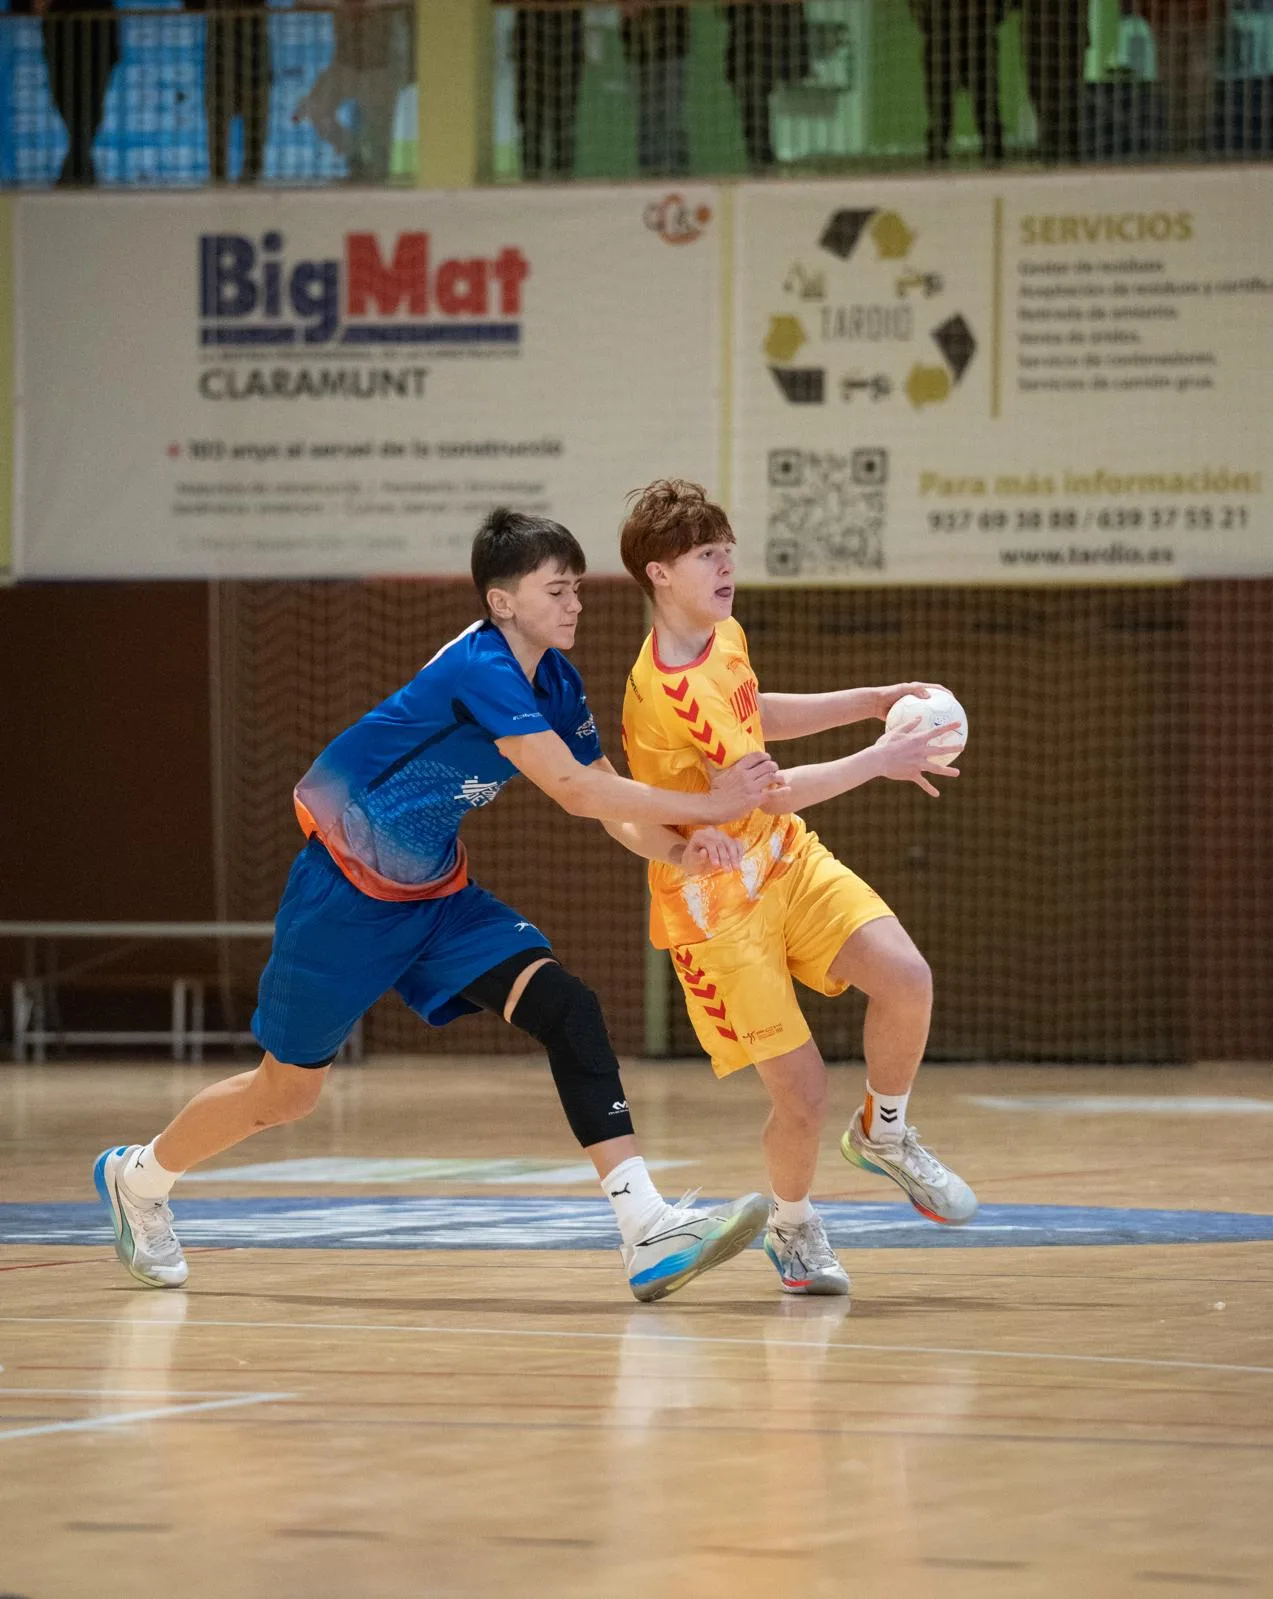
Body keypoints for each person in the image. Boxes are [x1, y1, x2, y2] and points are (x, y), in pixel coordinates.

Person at [95, 510, 783, 1304]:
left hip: (436, 897)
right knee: (284, 1093)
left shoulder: (557, 682)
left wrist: (676, 848)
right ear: (502, 602)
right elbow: (571, 788)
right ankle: (138, 1178)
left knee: (567, 1007)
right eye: (555, 590)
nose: (574, 603)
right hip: (343, 894)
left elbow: (602, 795)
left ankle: (646, 1227)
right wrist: (709, 805)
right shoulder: (480, 668)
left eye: (576, 588)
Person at [618, 480, 978, 1298]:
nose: (725, 565)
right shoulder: (673, 690)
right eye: (704, 554)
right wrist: (879, 760)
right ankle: (791, 1224)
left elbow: (758, 715)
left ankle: (884, 1131)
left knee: (906, 977)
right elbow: (771, 791)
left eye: (726, 549)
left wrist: (871, 702)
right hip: (715, 903)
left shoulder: (721, 633)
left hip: (780, 857)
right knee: (803, 1093)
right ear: (658, 573)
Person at [292, 0, 414, 182]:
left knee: (379, 137)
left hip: (379, 68)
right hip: (344, 66)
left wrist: (370, 4)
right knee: (315, 107)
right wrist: (340, 3)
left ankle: (376, 180)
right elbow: (299, 3)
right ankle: (355, 154)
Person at [15, 0, 120, 186]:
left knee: (90, 108)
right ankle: (79, 168)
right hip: (61, 42)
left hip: (96, 41)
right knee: (69, 104)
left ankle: (76, 169)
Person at [909, 0, 1009, 164]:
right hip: (943, 32)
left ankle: (993, 153)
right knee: (941, 106)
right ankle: (938, 154)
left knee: (985, 103)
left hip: (976, 31)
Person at [191, 0, 272, 184]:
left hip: (247, 60)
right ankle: (227, 176)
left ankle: (238, 176)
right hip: (229, 61)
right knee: (225, 119)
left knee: (250, 120)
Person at [722, 1, 811, 170]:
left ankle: (761, 160)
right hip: (751, 47)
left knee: (754, 101)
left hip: (760, 45)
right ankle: (761, 160)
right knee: (754, 102)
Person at [511, 0, 585, 181]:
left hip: (566, 51)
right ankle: (531, 175)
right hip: (531, 54)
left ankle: (562, 175)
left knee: (563, 119)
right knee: (531, 120)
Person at [620, 3, 692, 177]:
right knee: (646, 114)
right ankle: (648, 170)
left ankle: (677, 169)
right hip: (640, 44)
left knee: (672, 111)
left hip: (671, 42)